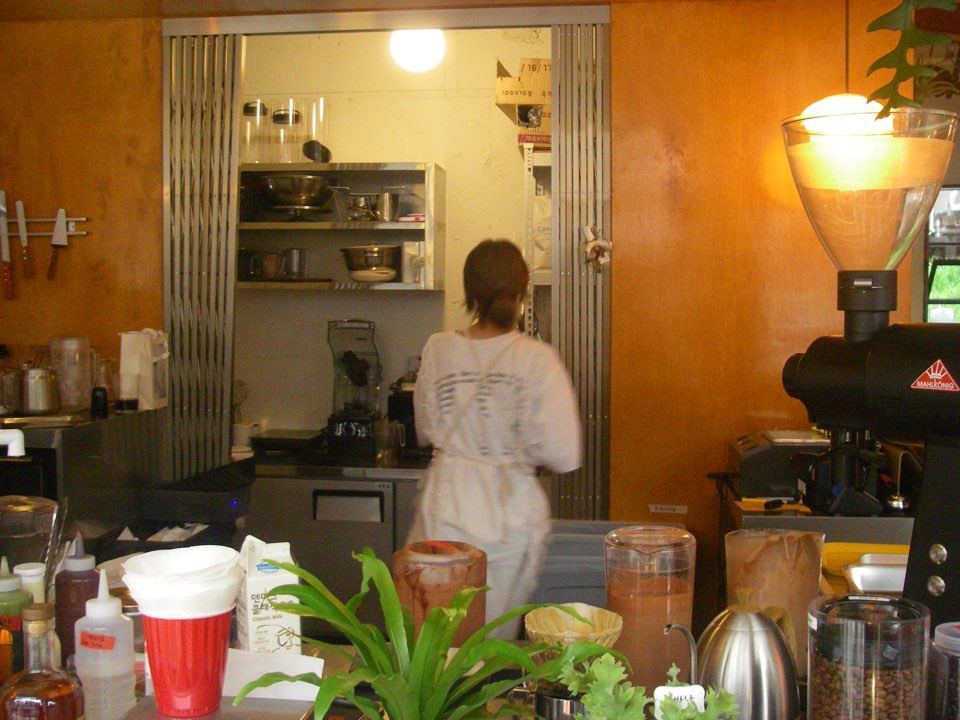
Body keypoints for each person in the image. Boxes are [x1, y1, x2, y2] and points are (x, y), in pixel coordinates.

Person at [409, 239, 582, 638]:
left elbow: (426, 429)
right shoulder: (538, 359)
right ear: (523, 291)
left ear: (469, 291)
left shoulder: (438, 348)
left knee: (436, 645)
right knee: (488, 649)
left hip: (444, 511)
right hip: (508, 521)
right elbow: (563, 453)